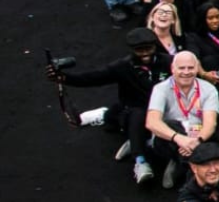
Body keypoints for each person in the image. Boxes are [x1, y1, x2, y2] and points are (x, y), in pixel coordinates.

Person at [51, 27, 169, 184]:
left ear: (155, 46)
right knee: (136, 117)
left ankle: (129, 131)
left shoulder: (170, 62)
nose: (145, 54)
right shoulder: (122, 67)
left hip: (165, 110)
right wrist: (64, 78)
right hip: (133, 110)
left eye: (149, 48)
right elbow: (93, 78)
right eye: (140, 50)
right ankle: (140, 161)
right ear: (132, 50)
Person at [144, 51, 219, 190]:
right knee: (170, 125)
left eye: (190, 68)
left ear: (196, 68)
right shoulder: (160, 89)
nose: (186, 72)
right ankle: (198, 182)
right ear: (172, 69)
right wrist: (179, 138)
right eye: (181, 68)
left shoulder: (209, 89)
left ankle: (178, 163)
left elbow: (210, 124)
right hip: (171, 137)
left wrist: (196, 141)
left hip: (199, 136)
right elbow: (151, 122)